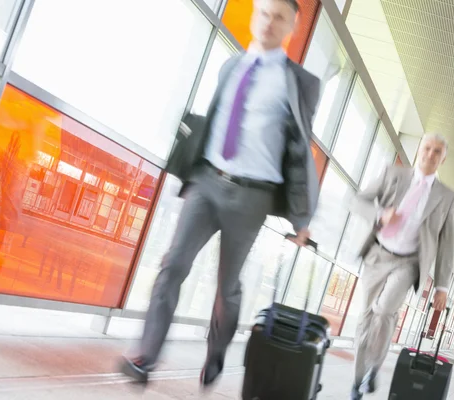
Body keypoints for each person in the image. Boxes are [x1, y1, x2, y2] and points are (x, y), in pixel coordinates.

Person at [118, 0, 321, 390]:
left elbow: (298, 153)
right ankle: (146, 357)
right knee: (172, 266)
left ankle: (216, 351)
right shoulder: (231, 66)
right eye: (264, 12)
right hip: (208, 180)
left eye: (279, 17)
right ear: (253, 15)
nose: (269, 21)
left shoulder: (301, 84)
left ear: (292, 28)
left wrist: (301, 219)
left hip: (253, 197)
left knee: (226, 285)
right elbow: (213, 122)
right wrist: (193, 175)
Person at [348, 134, 454, 399]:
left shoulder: (446, 196)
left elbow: (446, 244)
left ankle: (375, 364)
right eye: (427, 148)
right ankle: (359, 379)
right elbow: (356, 200)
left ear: (444, 158)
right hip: (377, 255)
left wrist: (442, 286)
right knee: (365, 318)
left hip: (409, 262)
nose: (430, 155)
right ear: (419, 150)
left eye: (437, 151)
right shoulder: (392, 173)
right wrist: (379, 214)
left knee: (384, 310)